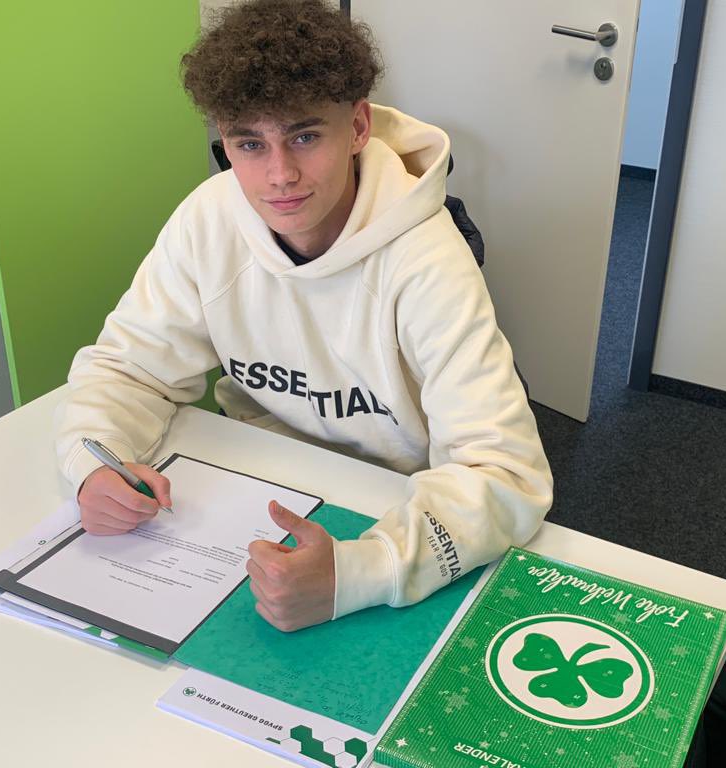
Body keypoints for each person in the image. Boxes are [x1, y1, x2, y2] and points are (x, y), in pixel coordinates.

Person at [54, 0, 552, 633]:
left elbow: (506, 473)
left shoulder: (427, 257)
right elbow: (129, 369)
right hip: (256, 483)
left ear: (359, 127)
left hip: (398, 501)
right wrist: (94, 463)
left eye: (306, 136)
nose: (280, 175)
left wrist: (361, 571)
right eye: (249, 144)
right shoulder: (208, 219)